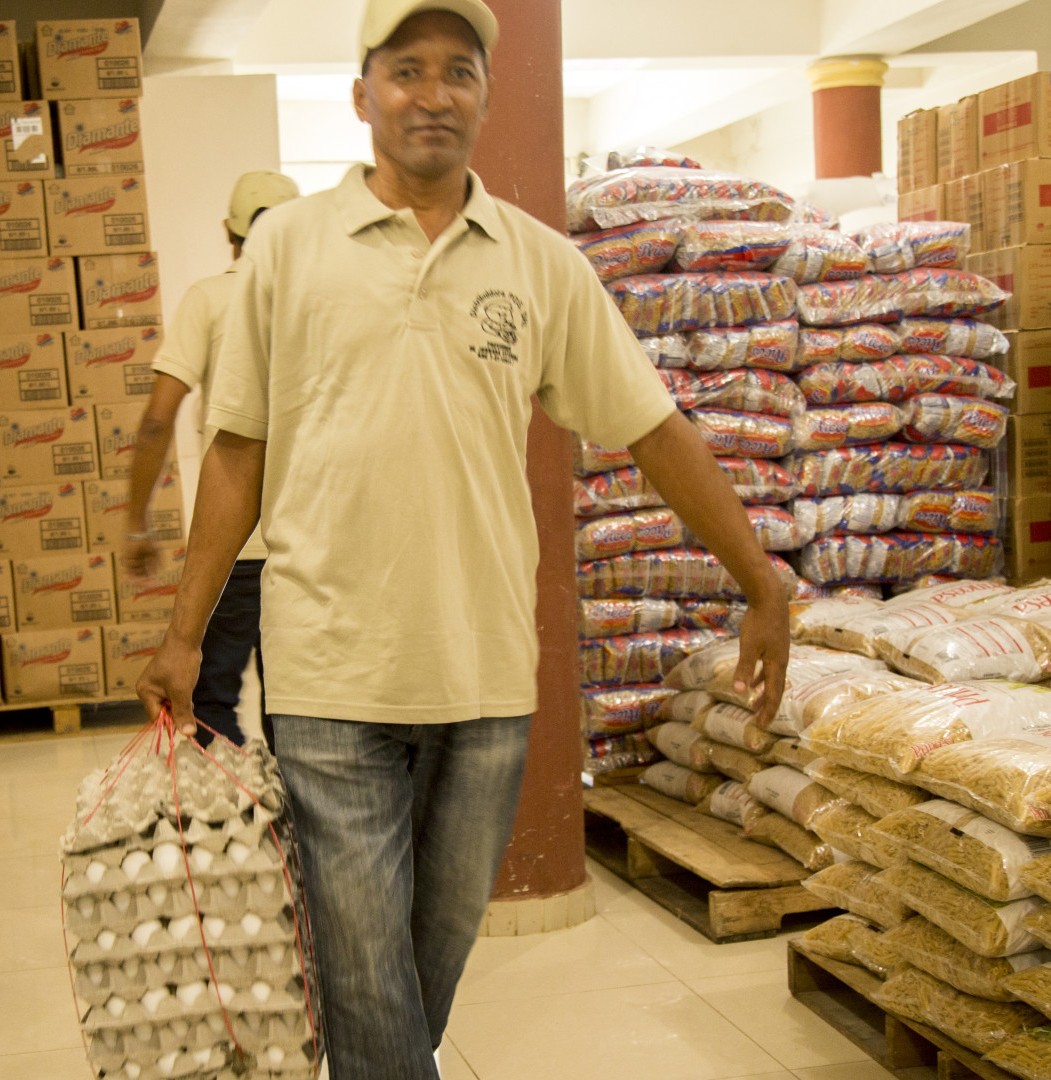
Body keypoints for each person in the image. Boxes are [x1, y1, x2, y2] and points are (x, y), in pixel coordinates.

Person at [135, 0, 792, 1073]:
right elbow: (237, 452)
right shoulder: (288, 250)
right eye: (406, 70)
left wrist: (761, 581)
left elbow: (653, 427)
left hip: (483, 675)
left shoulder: (540, 265)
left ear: (487, 96)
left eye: (458, 71)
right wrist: (183, 633)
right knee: (364, 974)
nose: (432, 94)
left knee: (420, 969)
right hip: (329, 676)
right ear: (363, 95)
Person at [121, 170, 301, 748]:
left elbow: (156, 421)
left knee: (208, 702)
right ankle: (295, 807)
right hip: (306, 551)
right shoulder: (317, 305)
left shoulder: (208, 299)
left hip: (233, 552)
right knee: (300, 713)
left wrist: (137, 522)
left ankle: (231, 804)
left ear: (230, 231)